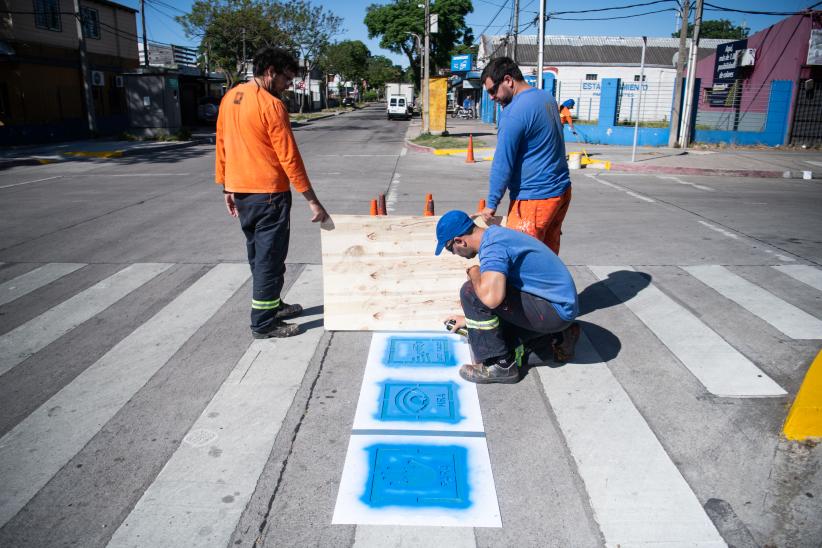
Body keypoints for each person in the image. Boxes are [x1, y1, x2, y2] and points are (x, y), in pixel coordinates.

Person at [215, 47, 329, 339]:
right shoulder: (271, 104)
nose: (289, 84)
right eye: (286, 78)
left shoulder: (230, 97)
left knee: (258, 254)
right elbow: (289, 157)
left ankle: (273, 305)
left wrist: (226, 186)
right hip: (269, 194)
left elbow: (222, 143)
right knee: (270, 258)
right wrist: (312, 200)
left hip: (242, 192)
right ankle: (264, 323)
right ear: (270, 73)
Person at [435, 210, 580, 384]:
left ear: (460, 241)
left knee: (471, 292)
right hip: (556, 305)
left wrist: (473, 272)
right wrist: (471, 321)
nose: (453, 253)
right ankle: (557, 340)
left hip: (553, 311)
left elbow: (491, 299)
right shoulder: (495, 235)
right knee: (494, 338)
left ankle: (500, 366)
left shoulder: (493, 248)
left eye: (450, 249)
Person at [479, 57, 572, 255]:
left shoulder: (514, 113)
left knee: (521, 259)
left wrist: (491, 204)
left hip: (535, 199)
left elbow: (502, 163)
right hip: (560, 192)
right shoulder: (546, 98)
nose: (492, 98)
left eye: (492, 91)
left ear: (508, 80)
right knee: (547, 256)